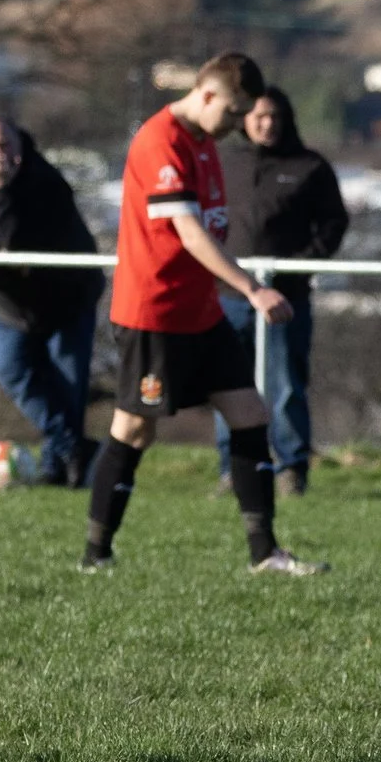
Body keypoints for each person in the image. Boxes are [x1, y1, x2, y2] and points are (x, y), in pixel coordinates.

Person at [82, 52, 325, 578]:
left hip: (201, 312)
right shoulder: (160, 141)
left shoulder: (204, 142)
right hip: (154, 315)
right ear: (208, 95)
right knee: (134, 429)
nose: (239, 126)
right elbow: (190, 234)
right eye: (235, 113)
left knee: (250, 415)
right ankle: (95, 554)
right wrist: (252, 289)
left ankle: (266, 555)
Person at [0, 114, 104, 487]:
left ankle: (58, 469)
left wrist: (1, 190)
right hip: (14, 303)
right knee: (10, 368)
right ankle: (75, 449)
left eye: (5, 145)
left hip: (68, 299)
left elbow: (16, 243)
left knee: (67, 386)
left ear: (19, 146)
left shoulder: (46, 181)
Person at [215, 85, 348, 497]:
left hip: (286, 298)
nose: (266, 124)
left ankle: (292, 468)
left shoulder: (309, 166)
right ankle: (233, 469)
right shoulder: (224, 162)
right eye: (258, 116)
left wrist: (300, 264)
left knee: (286, 384)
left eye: (274, 116)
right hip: (228, 296)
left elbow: (333, 225)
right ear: (243, 121)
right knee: (228, 385)